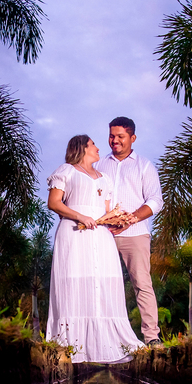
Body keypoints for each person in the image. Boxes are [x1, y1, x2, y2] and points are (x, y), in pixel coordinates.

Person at [45, 134, 144, 364]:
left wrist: (116, 220)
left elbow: (106, 210)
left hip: (100, 236)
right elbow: (54, 203)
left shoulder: (105, 179)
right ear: (82, 148)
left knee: (102, 281)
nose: (99, 148)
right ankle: (71, 344)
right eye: (93, 145)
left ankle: (108, 343)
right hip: (73, 234)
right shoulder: (66, 171)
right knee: (73, 281)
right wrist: (80, 216)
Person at [95, 117, 163, 346]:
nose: (114, 141)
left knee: (142, 285)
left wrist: (130, 220)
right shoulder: (99, 165)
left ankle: (152, 337)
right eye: (111, 136)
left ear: (132, 138)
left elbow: (156, 201)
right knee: (101, 285)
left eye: (120, 136)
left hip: (136, 235)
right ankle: (103, 340)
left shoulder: (144, 165)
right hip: (103, 235)